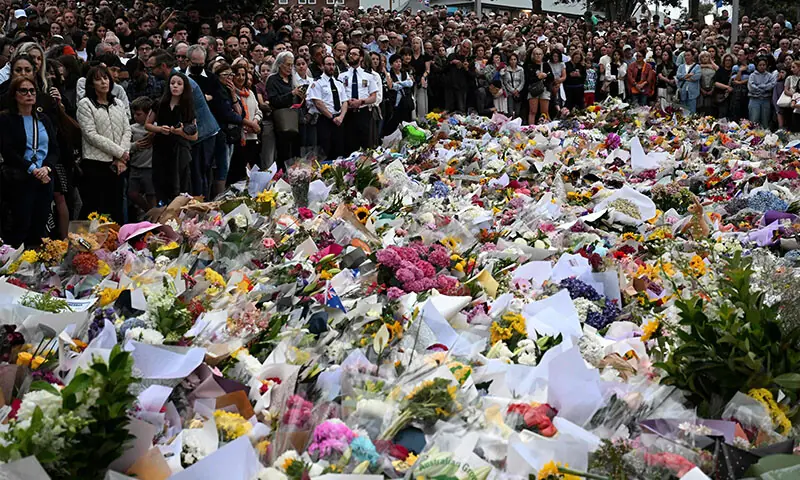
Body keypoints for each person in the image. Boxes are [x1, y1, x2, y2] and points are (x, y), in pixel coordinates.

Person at [0, 76, 59, 247]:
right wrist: (32, 169)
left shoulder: (43, 119)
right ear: (15, 95)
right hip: (20, 179)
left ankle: (35, 259)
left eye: (32, 91)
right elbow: (8, 151)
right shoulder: (6, 119)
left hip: (44, 178)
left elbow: (54, 149)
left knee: (39, 226)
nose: (29, 94)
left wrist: (47, 168)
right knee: (20, 226)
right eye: (24, 91)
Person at [76, 65, 131, 221]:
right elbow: (91, 135)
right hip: (96, 164)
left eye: (106, 78)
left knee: (116, 208)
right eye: (98, 79)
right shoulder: (85, 104)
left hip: (119, 164)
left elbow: (127, 130)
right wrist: (120, 153)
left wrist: (121, 157)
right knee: (95, 208)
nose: (103, 82)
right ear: (91, 84)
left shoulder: (118, 103)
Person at [146, 72, 197, 203]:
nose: (175, 86)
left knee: (180, 185)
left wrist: (180, 132)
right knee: (160, 182)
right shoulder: (159, 103)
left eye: (179, 84)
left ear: (184, 87)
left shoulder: (187, 107)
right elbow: (148, 124)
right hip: (161, 148)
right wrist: (160, 129)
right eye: (172, 83)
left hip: (180, 149)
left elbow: (195, 136)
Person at [307, 55, 348, 161]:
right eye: (328, 64)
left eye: (333, 64)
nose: (331, 67)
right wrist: (332, 117)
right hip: (325, 119)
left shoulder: (339, 83)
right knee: (325, 150)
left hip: (339, 120)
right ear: (322, 66)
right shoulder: (317, 83)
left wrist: (341, 117)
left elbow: (344, 102)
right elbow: (318, 103)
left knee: (339, 149)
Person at [266, 51, 301, 171]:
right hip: (281, 121)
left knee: (295, 153)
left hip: (294, 119)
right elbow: (274, 101)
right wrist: (291, 94)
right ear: (280, 64)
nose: (290, 68)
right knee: (283, 152)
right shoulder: (273, 79)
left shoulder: (292, 79)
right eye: (287, 65)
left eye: (291, 65)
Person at [340, 46, 378, 154]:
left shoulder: (368, 76)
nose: (351, 56)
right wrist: (347, 102)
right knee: (349, 143)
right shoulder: (342, 76)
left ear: (361, 57)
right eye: (350, 54)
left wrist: (361, 101)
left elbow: (373, 97)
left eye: (354, 54)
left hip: (363, 112)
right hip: (348, 113)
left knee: (365, 143)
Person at [229, 64, 262, 185]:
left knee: (253, 168)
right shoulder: (231, 94)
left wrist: (255, 122)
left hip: (253, 136)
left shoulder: (250, 93)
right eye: (238, 74)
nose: (241, 78)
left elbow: (258, 111)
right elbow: (234, 114)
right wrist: (250, 125)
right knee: (241, 170)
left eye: (243, 75)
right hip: (241, 136)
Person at [128, 96, 156, 214]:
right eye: (134, 114)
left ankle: (154, 216)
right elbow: (125, 145)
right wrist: (135, 146)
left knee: (151, 194)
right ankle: (149, 212)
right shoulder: (132, 129)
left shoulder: (155, 128)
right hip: (135, 167)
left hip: (150, 168)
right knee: (132, 193)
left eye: (139, 114)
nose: (135, 117)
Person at [384, 53, 414, 136]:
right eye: (396, 62)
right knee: (395, 125)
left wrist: (400, 83)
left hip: (406, 101)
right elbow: (392, 86)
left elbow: (410, 83)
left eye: (400, 62)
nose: (399, 64)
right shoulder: (389, 74)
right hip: (396, 103)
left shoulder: (404, 73)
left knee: (407, 124)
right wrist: (402, 84)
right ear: (391, 64)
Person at [524, 47, 553, 124]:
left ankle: (546, 127)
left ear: (542, 55)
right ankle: (531, 127)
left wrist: (545, 76)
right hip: (533, 89)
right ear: (533, 55)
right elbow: (528, 79)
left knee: (544, 112)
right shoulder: (529, 65)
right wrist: (538, 77)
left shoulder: (546, 65)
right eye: (536, 54)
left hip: (544, 88)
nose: (538, 56)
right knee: (532, 111)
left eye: (540, 54)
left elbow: (552, 77)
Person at [748, 56, 777, 127]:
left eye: (764, 65)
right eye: (760, 65)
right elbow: (751, 87)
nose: (762, 67)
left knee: (765, 120)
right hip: (754, 99)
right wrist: (764, 88)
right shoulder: (752, 75)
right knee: (754, 120)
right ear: (757, 66)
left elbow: (772, 85)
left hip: (766, 99)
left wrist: (759, 86)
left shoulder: (770, 76)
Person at [445, 40, 472, 113]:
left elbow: (472, 76)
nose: (465, 49)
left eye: (467, 48)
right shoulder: (452, 56)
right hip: (450, 86)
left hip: (462, 88)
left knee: (461, 110)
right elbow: (444, 69)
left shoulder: (470, 60)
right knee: (448, 110)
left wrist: (467, 69)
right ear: (460, 46)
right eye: (464, 47)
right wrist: (451, 62)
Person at [409, 36, 430, 122]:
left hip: (421, 79)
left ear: (420, 45)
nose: (415, 45)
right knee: (412, 101)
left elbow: (427, 70)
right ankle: (412, 119)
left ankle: (422, 120)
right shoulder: (409, 55)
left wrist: (423, 77)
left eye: (417, 43)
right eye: (413, 43)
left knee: (421, 101)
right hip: (411, 79)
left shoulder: (425, 56)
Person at [502, 52, 524, 118]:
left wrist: (517, 90)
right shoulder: (506, 70)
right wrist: (512, 90)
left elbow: (522, 81)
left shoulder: (521, 69)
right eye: (511, 59)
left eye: (514, 59)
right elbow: (505, 82)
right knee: (510, 112)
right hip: (509, 93)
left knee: (517, 112)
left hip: (518, 92)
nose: (513, 61)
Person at [714, 53, 736, 119]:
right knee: (722, 115)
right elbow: (716, 83)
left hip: (733, 97)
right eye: (726, 60)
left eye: (729, 60)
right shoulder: (720, 70)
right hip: (722, 97)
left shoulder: (734, 71)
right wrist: (727, 87)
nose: (728, 62)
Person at [698, 51, 718, 116]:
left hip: (712, 89)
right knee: (701, 107)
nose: (705, 58)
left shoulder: (713, 67)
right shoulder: (697, 67)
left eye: (706, 56)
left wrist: (712, 90)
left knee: (710, 108)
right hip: (701, 90)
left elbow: (716, 78)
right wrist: (701, 90)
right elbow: (697, 81)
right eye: (702, 57)